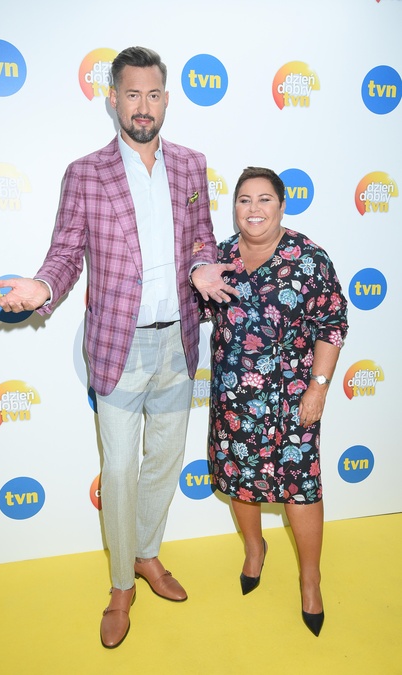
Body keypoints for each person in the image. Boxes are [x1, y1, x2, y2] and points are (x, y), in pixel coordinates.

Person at [0, 46, 237, 649]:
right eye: (132, 95)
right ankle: (122, 583)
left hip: (178, 342)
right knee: (122, 468)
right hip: (118, 347)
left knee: (164, 462)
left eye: (153, 95)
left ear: (167, 100)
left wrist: (203, 267)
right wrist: (43, 286)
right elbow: (66, 253)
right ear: (112, 100)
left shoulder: (191, 166)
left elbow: (202, 240)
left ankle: (147, 554)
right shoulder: (85, 173)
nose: (142, 106)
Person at [204, 166, 348, 637]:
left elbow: (333, 325)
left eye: (264, 199)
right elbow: (198, 308)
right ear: (235, 207)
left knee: (301, 488)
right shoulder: (221, 257)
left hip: (292, 399)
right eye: (244, 200)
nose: (254, 209)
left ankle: (310, 579)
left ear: (282, 206)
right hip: (233, 397)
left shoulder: (308, 259)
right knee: (238, 478)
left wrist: (318, 387)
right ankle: (255, 550)